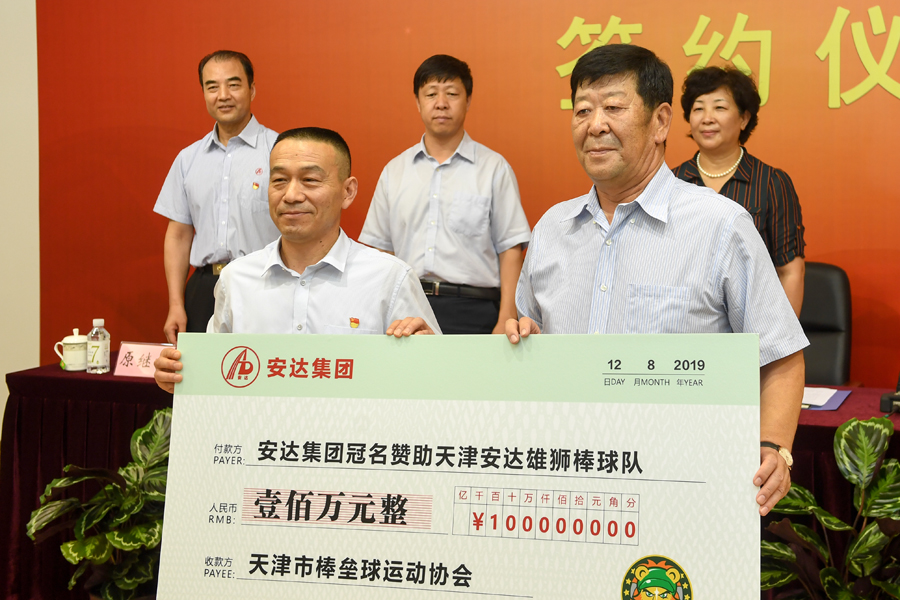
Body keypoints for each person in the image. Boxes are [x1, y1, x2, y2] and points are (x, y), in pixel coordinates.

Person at [505, 44, 807, 517]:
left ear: (661, 121)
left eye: (613, 107)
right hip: (567, 485)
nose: (595, 125)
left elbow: (780, 354)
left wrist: (773, 446)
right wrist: (520, 337)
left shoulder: (720, 226)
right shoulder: (551, 229)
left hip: (684, 491)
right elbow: (527, 336)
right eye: (582, 110)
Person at [154, 127, 439, 393]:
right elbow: (215, 376)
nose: (291, 195)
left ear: (348, 191)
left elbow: (435, 380)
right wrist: (183, 376)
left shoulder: (390, 278)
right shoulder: (236, 279)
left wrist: (430, 356)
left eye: (310, 180)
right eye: (279, 180)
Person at [359, 54, 531, 334]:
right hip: (407, 309)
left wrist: (506, 317)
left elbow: (510, 248)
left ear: (468, 100)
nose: (441, 103)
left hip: (474, 311)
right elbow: (380, 250)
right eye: (431, 94)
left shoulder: (493, 168)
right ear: (418, 102)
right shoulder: (395, 171)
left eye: (451, 93)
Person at [154, 50, 280, 344]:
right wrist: (176, 304)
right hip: (203, 288)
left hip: (265, 282)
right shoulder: (188, 159)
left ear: (252, 90)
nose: (223, 95)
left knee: (264, 367)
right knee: (200, 373)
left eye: (233, 85)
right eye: (212, 87)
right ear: (204, 93)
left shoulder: (279, 150)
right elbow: (179, 235)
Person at [672, 66, 806, 315]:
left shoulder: (770, 182)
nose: (707, 118)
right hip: (683, 321)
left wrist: (781, 336)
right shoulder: (671, 182)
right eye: (698, 109)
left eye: (719, 108)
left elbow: (790, 271)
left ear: (744, 118)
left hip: (751, 319)